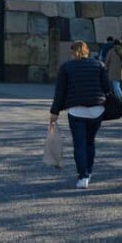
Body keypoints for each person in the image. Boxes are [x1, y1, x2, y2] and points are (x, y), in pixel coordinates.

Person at [49, 40, 110, 190]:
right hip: (97, 110)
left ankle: (82, 176)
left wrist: (54, 112)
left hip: (77, 111)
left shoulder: (66, 67)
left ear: (72, 52)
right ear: (87, 51)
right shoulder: (99, 65)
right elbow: (107, 88)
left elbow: (60, 92)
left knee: (79, 144)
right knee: (90, 142)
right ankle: (88, 172)